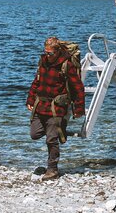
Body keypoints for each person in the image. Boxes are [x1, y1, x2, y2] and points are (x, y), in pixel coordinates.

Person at [26, 37, 85, 180]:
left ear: (57, 51)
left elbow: (78, 88)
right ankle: (59, 129)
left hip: (56, 108)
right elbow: (36, 81)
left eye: (50, 53)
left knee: (51, 140)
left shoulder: (66, 65)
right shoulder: (43, 62)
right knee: (34, 134)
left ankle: (52, 169)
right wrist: (30, 99)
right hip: (41, 106)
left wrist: (79, 109)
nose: (47, 56)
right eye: (46, 52)